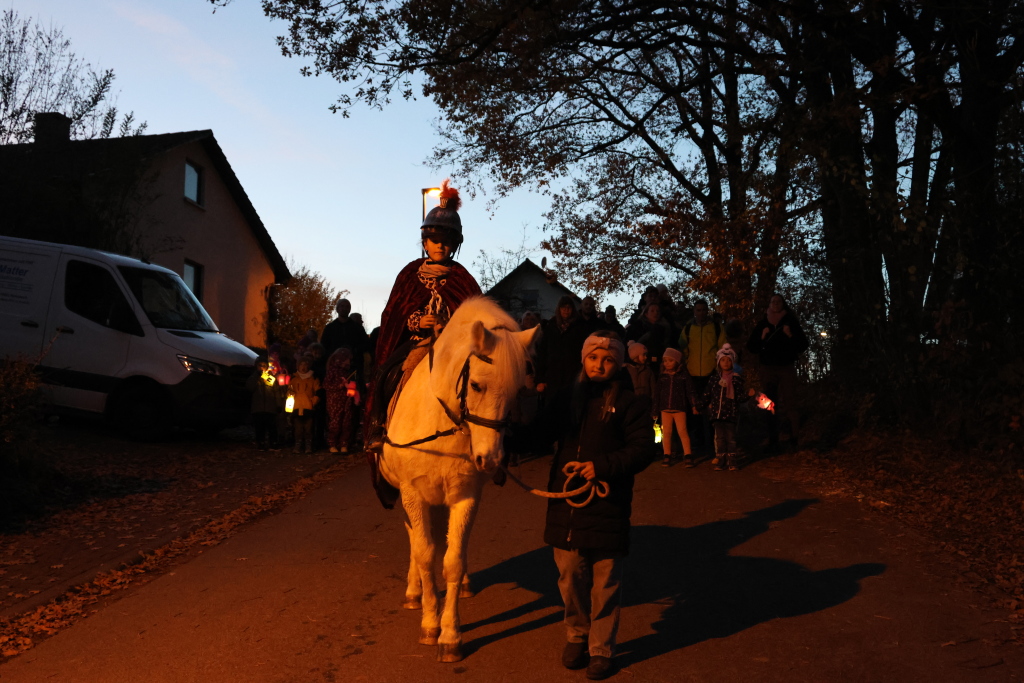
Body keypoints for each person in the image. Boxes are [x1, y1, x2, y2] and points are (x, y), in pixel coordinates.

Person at [539, 331, 654, 680]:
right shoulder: (566, 399)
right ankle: (577, 634)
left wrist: (600, 467)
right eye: (593, 358)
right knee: (570, 573)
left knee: (605, 581)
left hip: (608, 502)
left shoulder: (632, 404)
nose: (599, 365)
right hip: (568, 504)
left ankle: (601, 648)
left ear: (618, 363)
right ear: (583, 359)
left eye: (607, 359)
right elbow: (539, 432)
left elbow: (644, 449)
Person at [365, 180, 481, 503]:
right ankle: (378, 427)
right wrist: (417, 320)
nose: (439, 246)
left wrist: (450, 323)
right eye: (434, 240)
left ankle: (487, 442)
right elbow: (393, 316)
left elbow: (475, 318)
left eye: (446, 241)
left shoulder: (463, 279)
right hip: (416, 344)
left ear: (454, 244)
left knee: (480, 384)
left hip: (453, 349)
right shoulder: (408, 274)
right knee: (390, 372)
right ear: (425, 241)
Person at [746, 294, 809, 451]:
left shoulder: (790, 322)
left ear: (783, 304)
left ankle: (795, 438)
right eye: (773, 301)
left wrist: (790, 335)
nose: (775, 303)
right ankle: (773, 438)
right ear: (769, 304)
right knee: (769, 404)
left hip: (786, 367)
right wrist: (762, 337)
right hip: (767, 368)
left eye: (778, 301)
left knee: (790, 402)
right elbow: (751, 347)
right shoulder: (763, 323)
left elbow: (803, 344)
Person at [679, 299, 726, 453]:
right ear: (694, 311)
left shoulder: (716, 327)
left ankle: (712, 443)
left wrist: (719, 368)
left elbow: (723, 349)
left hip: (710, 372)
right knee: (695, 410)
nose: (701, 313)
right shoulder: (687, 328)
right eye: (698, 310)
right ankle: (698, 442)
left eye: (703, 310)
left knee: (711, 410)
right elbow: (682, 348)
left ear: (707, 311)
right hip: (692, 373)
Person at [535, 296, 593, 400]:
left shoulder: (580, 327)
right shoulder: (551, 327)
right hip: (552, 377)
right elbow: (542, 353)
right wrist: (540, 379)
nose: (566, 310)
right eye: (563, 307)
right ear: (559, 309)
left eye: (569, 307)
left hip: (572, 376)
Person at [701, 344, 745, 471]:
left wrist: (748, 395)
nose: (726, 363)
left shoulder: (736, 379)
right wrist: (699, 405)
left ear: (732, 362)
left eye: (728, 360)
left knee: (731, 439)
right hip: (717, 414)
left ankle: (732, 460)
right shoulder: (714, 379)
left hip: (731, 414)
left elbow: (740, 397)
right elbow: (707, 394)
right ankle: (721, 459)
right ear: (719, 362)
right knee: (719, 438)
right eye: (723, 360)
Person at [656, 347, 698, 467]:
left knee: (682, 431)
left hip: (679, 408)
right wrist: (655, 410)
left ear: (677, 362)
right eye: (665, 361)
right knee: (667, 432)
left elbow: (690, 391)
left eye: (670, 360)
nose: (667, 363)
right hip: (665, 409)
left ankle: (688, 454)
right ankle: (667, 454)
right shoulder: (662, 377)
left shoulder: (683, 376)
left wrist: (694, 405)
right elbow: (657, 394)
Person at [320, 298, 369, 387]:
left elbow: (366, 344)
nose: (344, 308)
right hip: (334, 368)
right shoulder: (330, 328)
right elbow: (324, 347)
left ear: (349, 309)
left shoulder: (357, 328)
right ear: (337, 309)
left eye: (347, 306)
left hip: (354, 366)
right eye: (342, 306)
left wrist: (354, 351)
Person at [324, 348, 359, 454]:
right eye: (347, 359)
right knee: (335, 422)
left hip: (346, 400)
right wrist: (339, 386)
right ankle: (333, 443)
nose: (349, 362)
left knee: (346, 422)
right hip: (335, 401)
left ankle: (344, 444)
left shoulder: (347, 372)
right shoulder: (332, 371)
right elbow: (326, 385)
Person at [246, 357, 282, 451]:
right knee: (259, 427)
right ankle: (260, 443)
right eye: (260, 365)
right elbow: (250, 388)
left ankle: (273, 443)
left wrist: (278, 404)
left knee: (271, 427)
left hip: (270, 408)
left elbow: (276, 391)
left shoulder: (270, 378)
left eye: (264, 366)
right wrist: (257, 377)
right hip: (258, 408)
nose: (262, 367)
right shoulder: (253, 378)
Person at [289, 356, 321, 454]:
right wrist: (289, 395)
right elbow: (290, 390)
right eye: (301, 364)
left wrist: (314, 401)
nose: (303, 367)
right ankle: (298, 445)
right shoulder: (294, 379)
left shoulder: (313, 379)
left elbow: (318, 391)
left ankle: (308, 446)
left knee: (308, 429)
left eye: (305, 365)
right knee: (298, 429)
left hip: (308, 407)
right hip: (297, 406)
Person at [625, 341, 657, 411]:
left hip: (646, 404)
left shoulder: (647, 370)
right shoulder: (626, 370)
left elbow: (653, 388)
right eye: (643, 355)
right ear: (635, 356)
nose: (646, 357)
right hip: (631, 405)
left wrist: (654, 404)